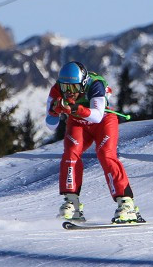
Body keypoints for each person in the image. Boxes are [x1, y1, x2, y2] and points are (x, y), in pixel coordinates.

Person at [44, 61, 143, 225]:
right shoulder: (56, 89)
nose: (69, 93)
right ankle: (71, 202)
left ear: (83, 84)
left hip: (103, 122)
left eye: (74, 88)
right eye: (65, 88)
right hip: (78, 122)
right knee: (70, 154)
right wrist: (54, 111)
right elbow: (50, 126)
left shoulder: (95, 84)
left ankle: (126, 203)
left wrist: (75, 109)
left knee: (106, 154)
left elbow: (97, 115)